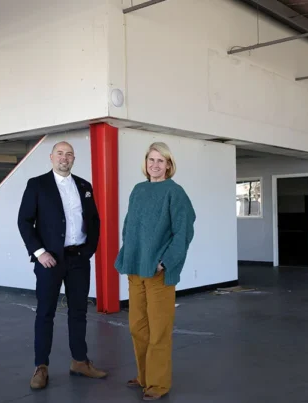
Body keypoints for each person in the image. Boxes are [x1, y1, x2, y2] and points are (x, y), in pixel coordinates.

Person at [17, 141, 107, 390]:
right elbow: (24, 221)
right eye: (60, 153)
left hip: (79, 259)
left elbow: (94, 221)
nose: (64, 158)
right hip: (50, 261)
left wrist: (88, 251)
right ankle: (41, 367)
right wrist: (39, 252)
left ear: (73, 158)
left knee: (79, 312)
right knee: (45, 313)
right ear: (51, 157)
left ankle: (80, 361)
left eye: (68, 154)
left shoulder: (84, 186)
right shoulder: (37, 185)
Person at [114, 142, 196, 401]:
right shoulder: (138, 190)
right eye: (151, 160)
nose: (155, 165)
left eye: (161, 161)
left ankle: (158, 384)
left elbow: (184, 232)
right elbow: (129, 227)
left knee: (159, 331)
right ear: (146, 162)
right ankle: (144, 376)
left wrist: (165, 262)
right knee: (138, 328)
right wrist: (128, 254)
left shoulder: (175, 192)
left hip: (158, 273)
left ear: (169, 165)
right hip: (136, 270)